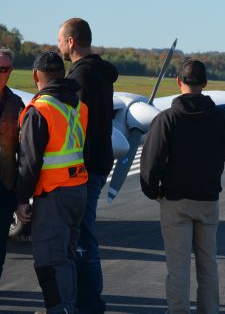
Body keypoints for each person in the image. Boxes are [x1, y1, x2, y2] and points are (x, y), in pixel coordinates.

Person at [140, 59, 225, 314]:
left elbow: (150, 163)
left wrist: (154, 192)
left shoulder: (167, 118)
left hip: (175, 201)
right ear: (205, 83)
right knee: (208, 265)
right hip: (208, 199)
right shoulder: (220, 117)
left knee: (178, 267)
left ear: (179, 82)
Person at [16, 51, 89, 313]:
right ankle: (68, 307)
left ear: (36, 76)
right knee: (66, 257)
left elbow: (29, 162)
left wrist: (21, 200)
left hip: (53, 194)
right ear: (62, 74)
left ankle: (60, 310)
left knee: (49, 260)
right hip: (77, 190)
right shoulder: (78, 107)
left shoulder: (40, 110)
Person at [57, 18, 118, 313]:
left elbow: (78, 126)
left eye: (60, 40)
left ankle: (90, 303)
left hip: (85, 167)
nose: (58, 46)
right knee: (83, 235)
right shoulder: (102, 73)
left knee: (82, 238)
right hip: (100, 162)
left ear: (71, 42)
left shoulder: (81, 76)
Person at [0, 47, 25, 279]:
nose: (0, 73)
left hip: (4, 188)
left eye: (4, 69)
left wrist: (21, 197)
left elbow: (25, 152)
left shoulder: (17, 104)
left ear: (10, 71)